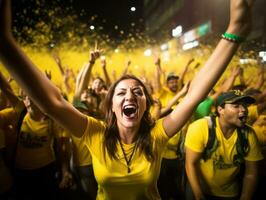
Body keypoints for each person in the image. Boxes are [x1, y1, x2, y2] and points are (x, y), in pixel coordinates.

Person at [0, 0, 256, 199]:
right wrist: (5, 43)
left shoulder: (156, 134)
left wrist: (235, 29)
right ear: (111, 105)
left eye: (138, 91)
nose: (130, 95)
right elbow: (52, 101)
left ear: (146, 104)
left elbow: (194, 94)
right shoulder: (95, 132)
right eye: (120, 92)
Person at [185, 90, 263, 200]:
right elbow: (190, 164)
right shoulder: (202, 127)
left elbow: (251, 173)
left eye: (244, 105)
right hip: (199, 188)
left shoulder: (248, 134)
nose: (243, 110)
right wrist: (199, 196)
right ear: (220, 110)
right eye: (236, 106)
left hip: (230, 193)